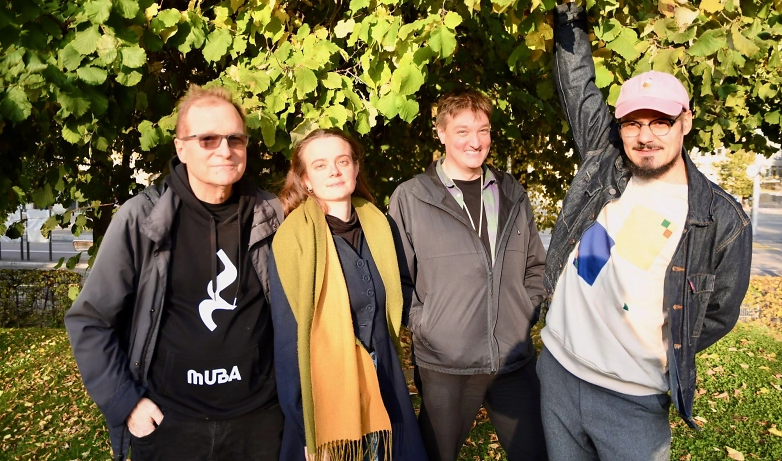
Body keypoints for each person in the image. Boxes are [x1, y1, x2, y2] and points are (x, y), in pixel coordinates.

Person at [539, 1, 753, 460]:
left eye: (661, 122)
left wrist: (661, 349)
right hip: (557, 370)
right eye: (633, 123)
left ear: (686, 121)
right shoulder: (606, 161)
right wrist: (568, 9)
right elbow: (578, 85)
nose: (645, 136)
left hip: (632, 398)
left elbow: (717, 312)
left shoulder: (720, 218)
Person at [65, 85, 285, 461]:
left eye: (235, 139)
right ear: (181, 148)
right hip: (170, 426)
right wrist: (126, 403)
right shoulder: (142, 219)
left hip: (259, 425)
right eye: (208, 139)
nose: (225, 150)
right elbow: (90, 320)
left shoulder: (272, 216)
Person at [387, 89, 548, 461]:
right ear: (441, 133)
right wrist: (427, 324)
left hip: (512, 359)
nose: (475, 142)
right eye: (462, 131)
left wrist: (524, 312)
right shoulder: (411, 197)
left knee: (537, 454)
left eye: (483, 130)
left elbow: (535, 266)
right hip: (446, 364)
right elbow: (396, 279)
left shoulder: (512, 192)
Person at [269, 128, 427, 461]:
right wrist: (308, 428)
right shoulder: (292, 241)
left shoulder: (379, 226)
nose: (334, 171)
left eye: (342, 161)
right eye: (320, 165)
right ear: (306, 180)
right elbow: (288, 341)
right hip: (328, 393)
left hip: (385, 381)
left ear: (355, 168)